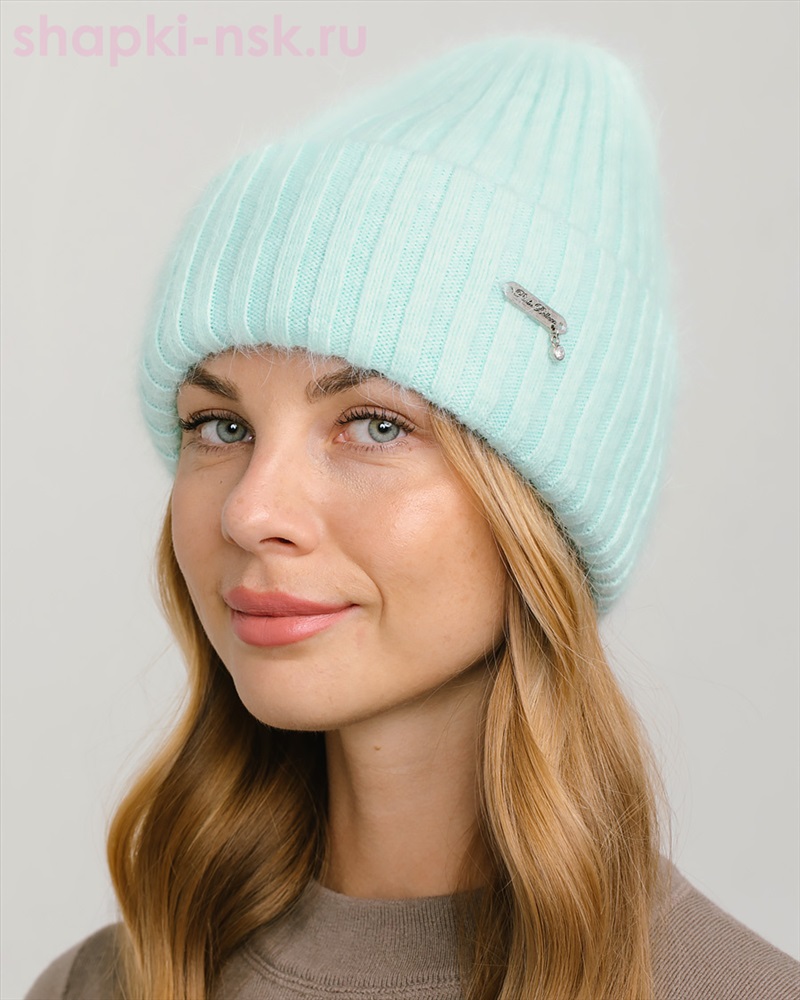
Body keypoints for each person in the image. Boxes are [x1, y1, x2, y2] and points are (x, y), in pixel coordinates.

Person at [26, 35, 799, 1000]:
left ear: (540, 509)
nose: (252, 511)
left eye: (376, 425)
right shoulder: (104, 984)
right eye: (221, 426)